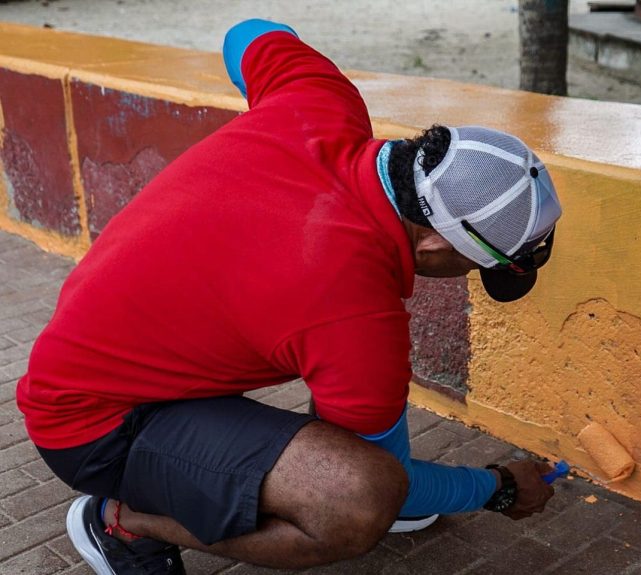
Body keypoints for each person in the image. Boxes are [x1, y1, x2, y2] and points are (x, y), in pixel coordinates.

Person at [16, 18, 563, 574]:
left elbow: (248, 32)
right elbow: (389, 484)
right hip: (91, 427)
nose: (471, 276)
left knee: (375, 466)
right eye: (479, 267)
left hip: (101, 366)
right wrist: (495, 488)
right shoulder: (355, 311)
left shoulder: (317, 99)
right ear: (430, 242)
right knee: (361, 500)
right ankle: (121, 523)